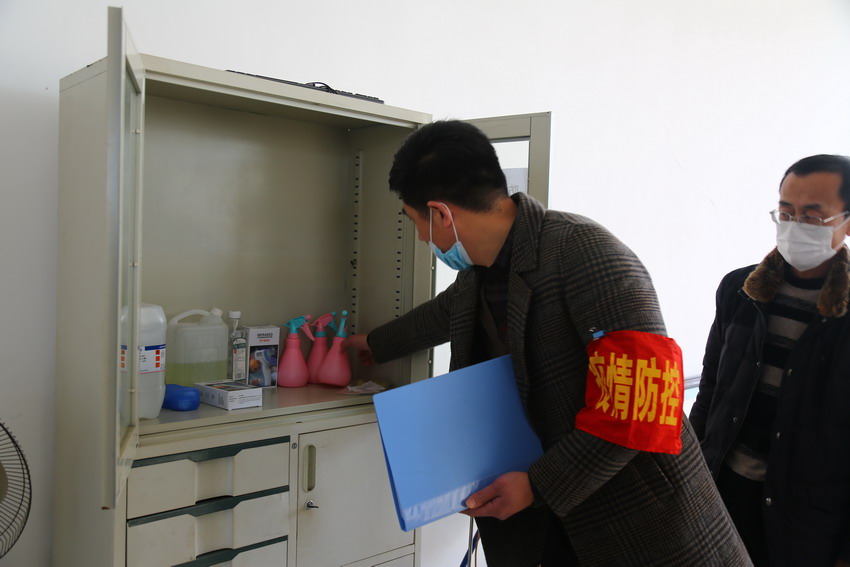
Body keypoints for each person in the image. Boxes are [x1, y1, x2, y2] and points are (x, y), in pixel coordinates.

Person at [345, 120, 749, 566]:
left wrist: (539, 484)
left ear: (441, 214)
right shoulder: (481, 271)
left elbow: (640, 406)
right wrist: (370, 345)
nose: (422, 238)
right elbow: (442, 315)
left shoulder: (586, 253)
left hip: (634, 516)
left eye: (415, 222)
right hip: (542, 522)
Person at [690, 154, 850, 567]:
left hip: (809, 517)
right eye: (786, 212)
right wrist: (690, 474)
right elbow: (711, 389)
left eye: (812, 216)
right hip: (722, 493)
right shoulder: (740, 289)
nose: (795, 225)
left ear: (846, 222)